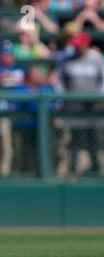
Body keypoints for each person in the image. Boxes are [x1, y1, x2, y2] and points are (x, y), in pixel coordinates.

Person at [56, 32, 104, 178]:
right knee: (75, 138)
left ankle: (95, 167)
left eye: (79, 46)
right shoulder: (67, 59)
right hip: (74, 106)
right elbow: (59, 82)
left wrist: (101, 98)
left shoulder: (96, 59)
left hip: (93, 106)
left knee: (94, 137)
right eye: (75, 46)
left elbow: (103, 80)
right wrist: (62, 98)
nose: (77, 49)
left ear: (86, 45)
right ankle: (73, 168)